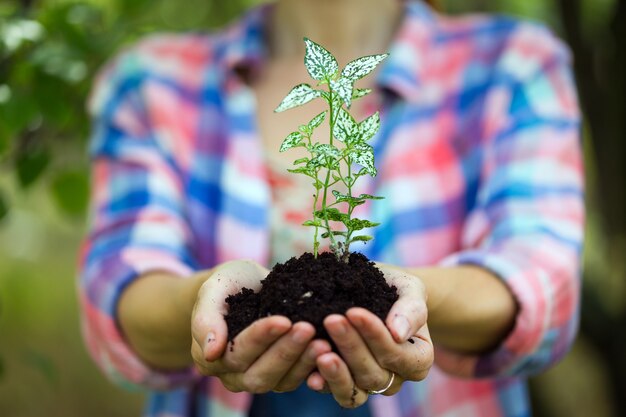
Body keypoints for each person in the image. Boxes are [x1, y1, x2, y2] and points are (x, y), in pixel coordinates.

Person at [79, 0, 584, 416]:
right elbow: (117, 289)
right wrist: (204, 306)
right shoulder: (150, 83)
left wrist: (411, 298)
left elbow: (543, 281)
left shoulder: (513, 64)